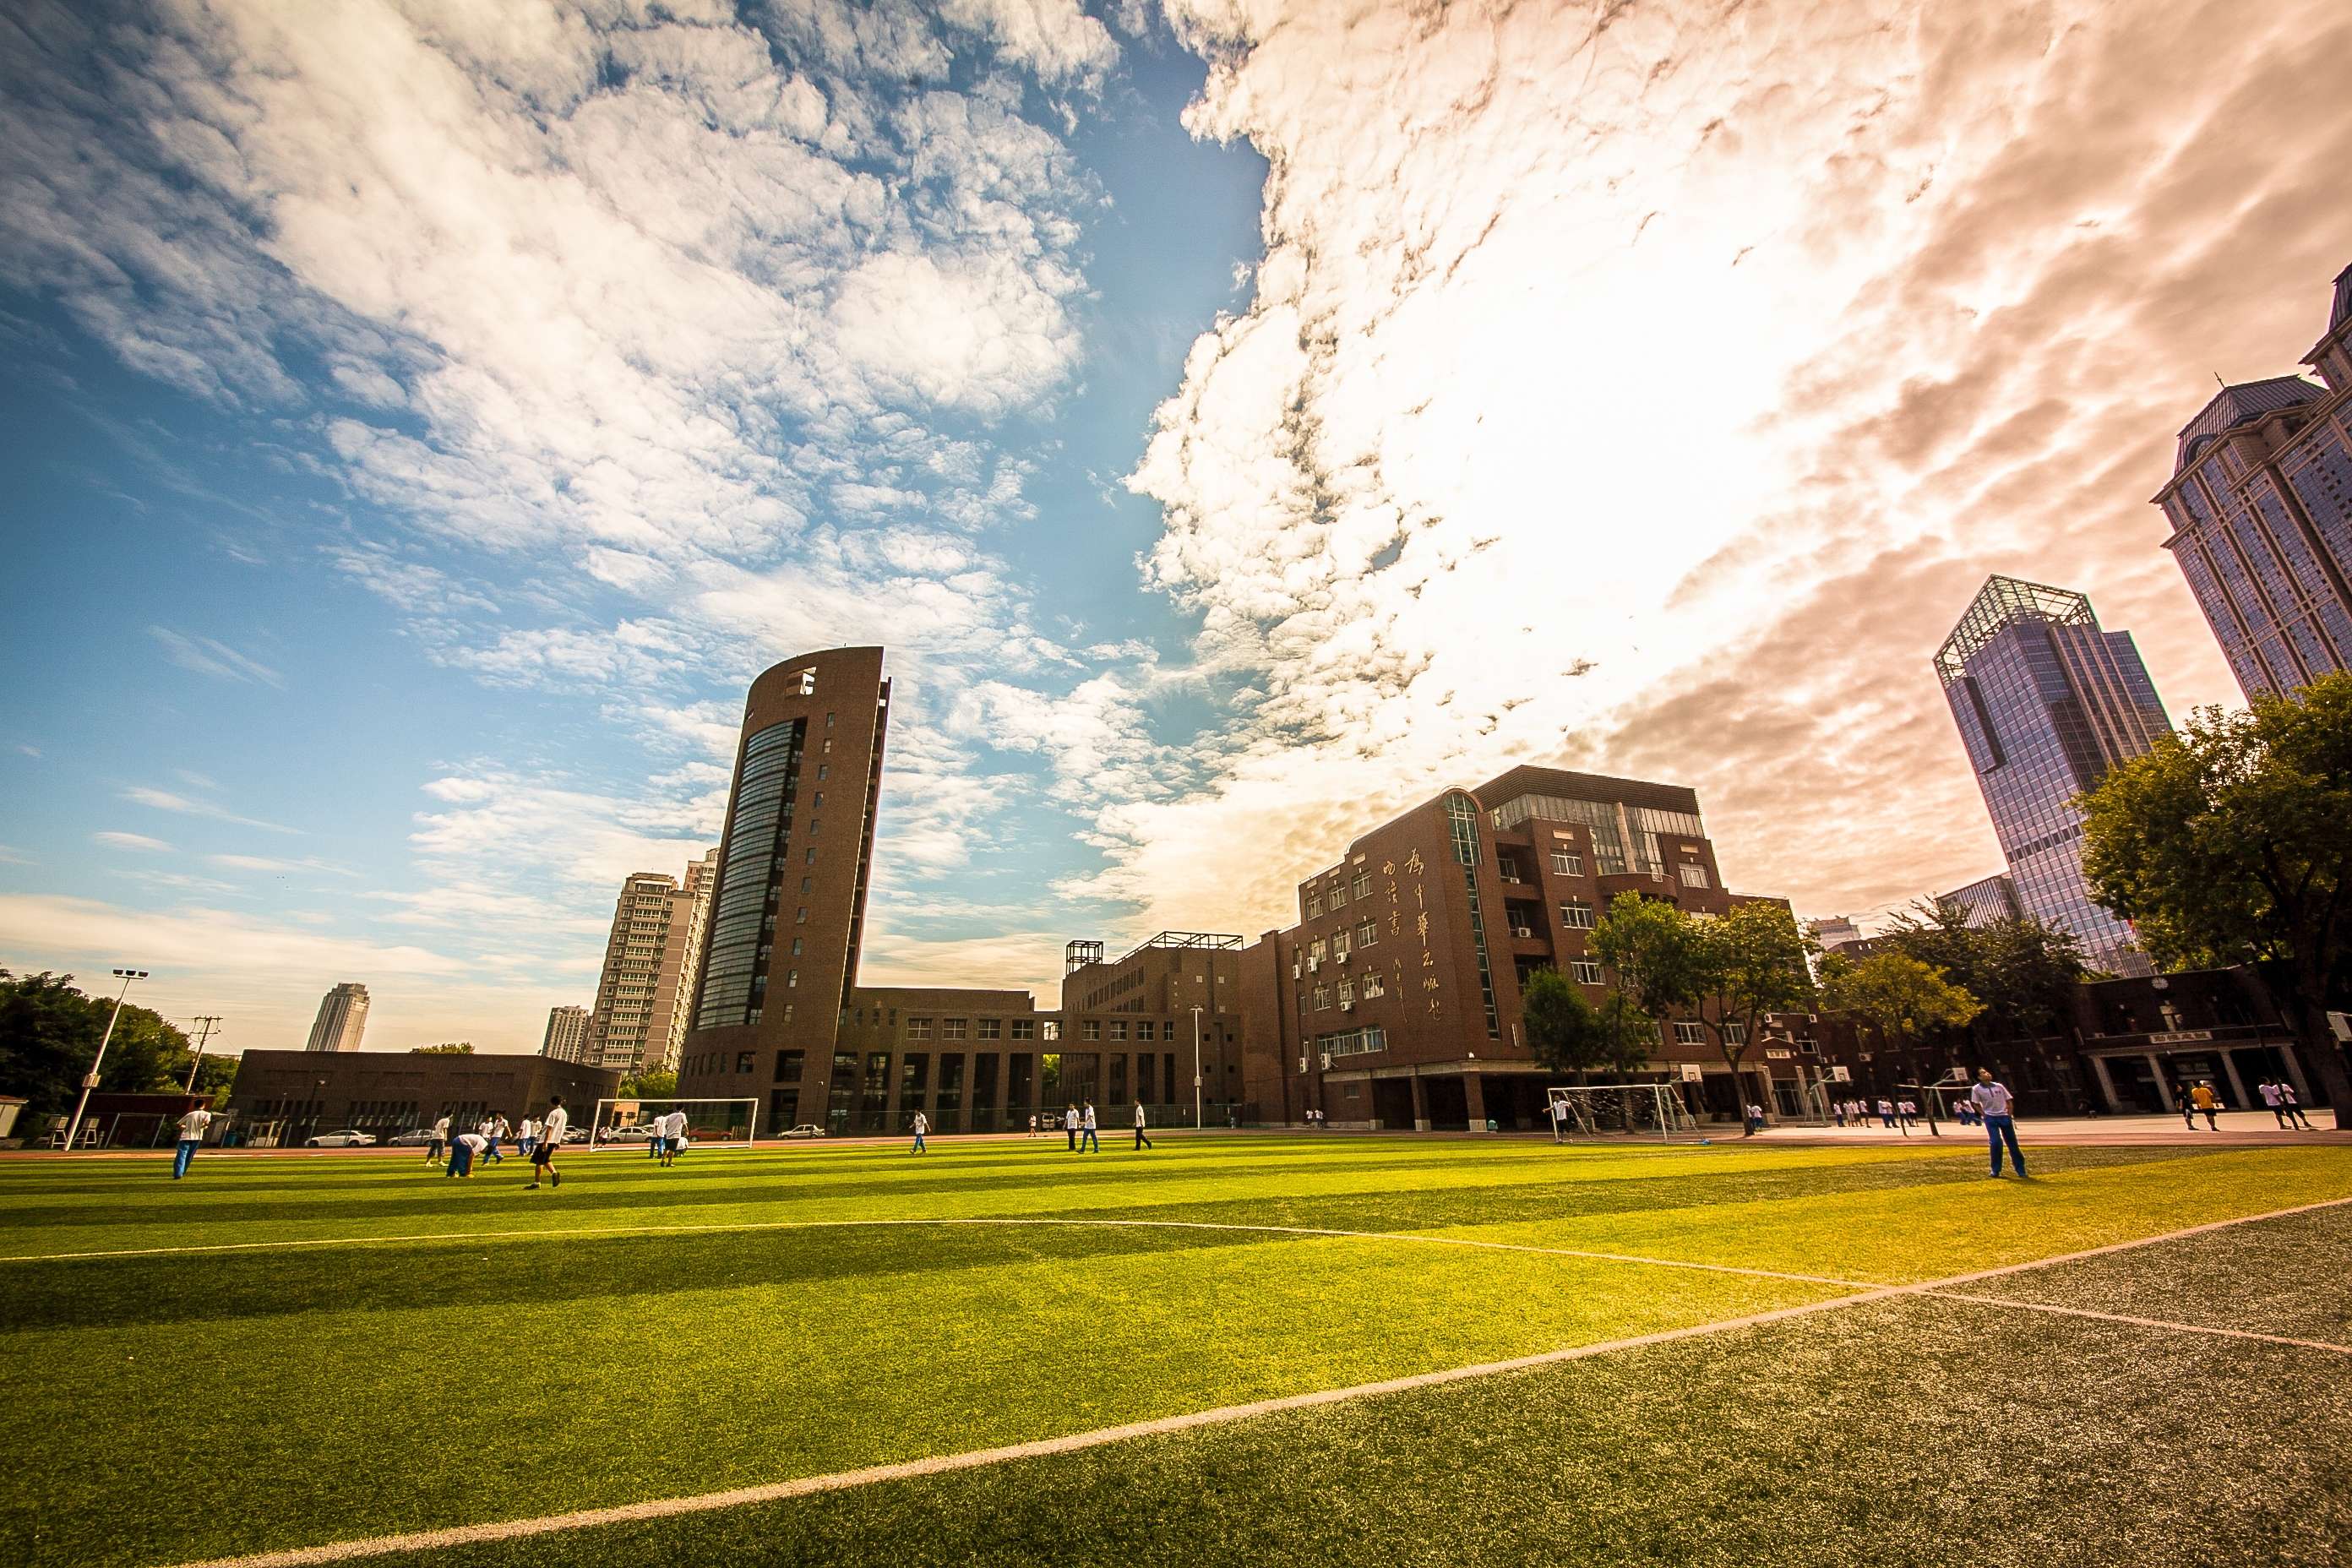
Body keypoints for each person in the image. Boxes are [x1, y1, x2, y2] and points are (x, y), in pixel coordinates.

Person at [1969, 1069, 2026, 1179]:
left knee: (2013, 1144)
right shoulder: (1976, 1089)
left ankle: (2021, 1169)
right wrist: (1984, 1114)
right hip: (1991, 1118)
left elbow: (2009, 1100)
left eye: (1987, 1072)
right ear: (1979, 1078)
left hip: (2004, 1116)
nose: (1987, 1074)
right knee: (1995, 1142)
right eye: (1983, 1073)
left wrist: (2009, 1113)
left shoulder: (1999, 1086)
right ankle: (1995, 1170)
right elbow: (1975, 1103)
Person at [527, 1096, 567, 1190]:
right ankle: (554, 1173)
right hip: (554, 1140)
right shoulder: (564, 1113)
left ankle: (537, 1182)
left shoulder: (553, 1113)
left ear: (552, 1103)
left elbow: (549, 1128)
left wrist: (545, 1142)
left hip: (547, 1140)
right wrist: (558, 1141)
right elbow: (561, 1128)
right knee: (545, 1159)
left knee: (539, 1161)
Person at [171, 1102, 213, 1180]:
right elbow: (206, 1124)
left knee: (181, 1154)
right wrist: (202, 1127)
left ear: (195, 1106)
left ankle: (178, 1173)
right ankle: (183, 1172)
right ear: (203, 1106)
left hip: (185, 1137)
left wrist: (186, 1127)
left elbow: (178, 1124)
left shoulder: (190, 1114)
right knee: (190, 1155)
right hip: (197, 1137)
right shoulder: (207, 1114)